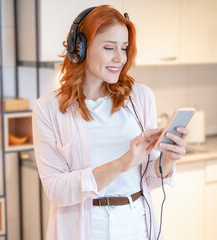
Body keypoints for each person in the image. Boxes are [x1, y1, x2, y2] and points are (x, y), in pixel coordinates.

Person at [32, 5, 189, 240]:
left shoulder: (140, 97)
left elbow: (150, 177)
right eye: (109, 48)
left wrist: (168, 158)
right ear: (80, 49)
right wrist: (121, 163)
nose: (120, 58)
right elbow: (56, 191)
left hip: (135, 224)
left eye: (124, 48)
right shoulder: (48, 109)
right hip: (85, 228)